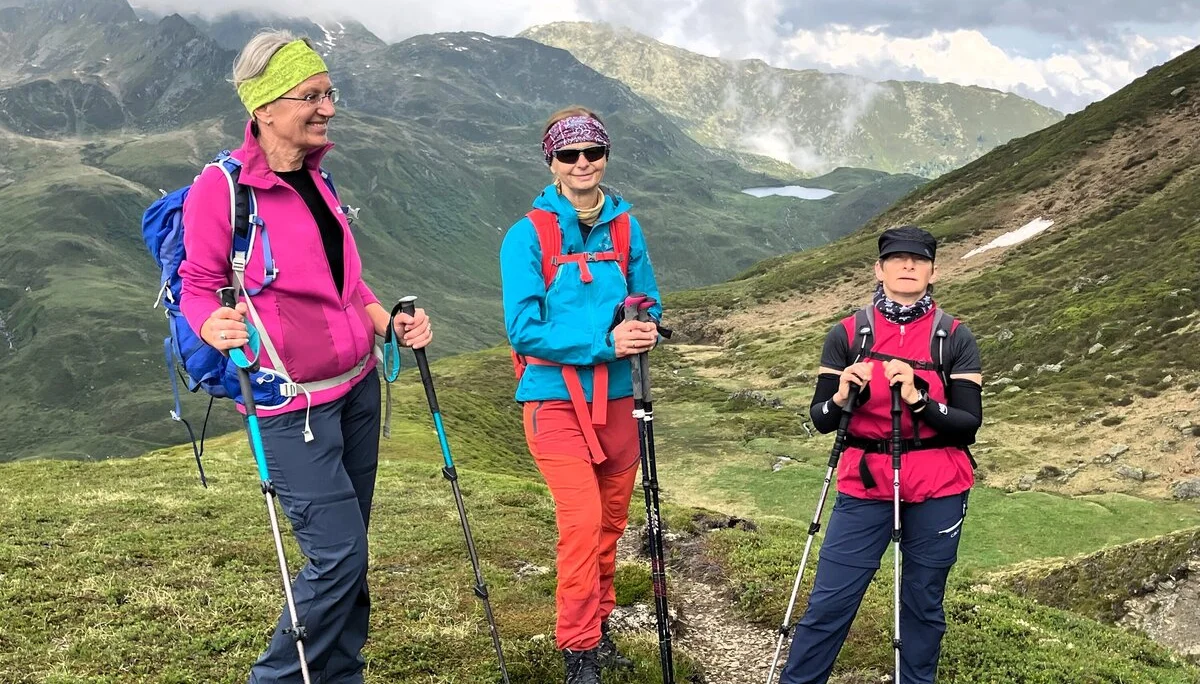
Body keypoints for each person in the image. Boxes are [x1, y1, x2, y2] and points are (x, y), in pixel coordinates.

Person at [178, 30, 432, 683]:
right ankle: (278, 677)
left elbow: (348, 283)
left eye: (329, 93)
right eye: (311, 96)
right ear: (263, 107)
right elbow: (198, 285)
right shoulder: (223, 191)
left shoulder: (318, 179)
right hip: (290, 408)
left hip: (357, 392)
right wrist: (212, 327)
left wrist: (388, 326)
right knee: (338, 556)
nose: (328, 108)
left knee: (354, 551)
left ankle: (341, 672)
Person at [500, 106, 663, 684]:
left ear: (605, 156)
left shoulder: (625, 228)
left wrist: (644, 323)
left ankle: (599, 624)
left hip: (619, 398)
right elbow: (522, 329)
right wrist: (605, 342)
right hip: (553, 400)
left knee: (611, 524)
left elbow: (647, 295)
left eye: (592, 152)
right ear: (552, 161)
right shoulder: (527, 235)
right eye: (569, 154)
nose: (582, 163)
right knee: (582, 522)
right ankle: (578, 649)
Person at [779, 226, 983, 684]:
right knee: (831, 600)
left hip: (939, 485)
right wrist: (842, 396)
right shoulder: (848, 333)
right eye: (898, 258)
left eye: (918, 259)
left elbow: (969, 423)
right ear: (879, 268)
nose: (908, 266)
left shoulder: (954, 337)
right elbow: (822, 417)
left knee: (922, 601)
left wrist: (917, 398)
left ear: (933, 271)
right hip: (865, 482)